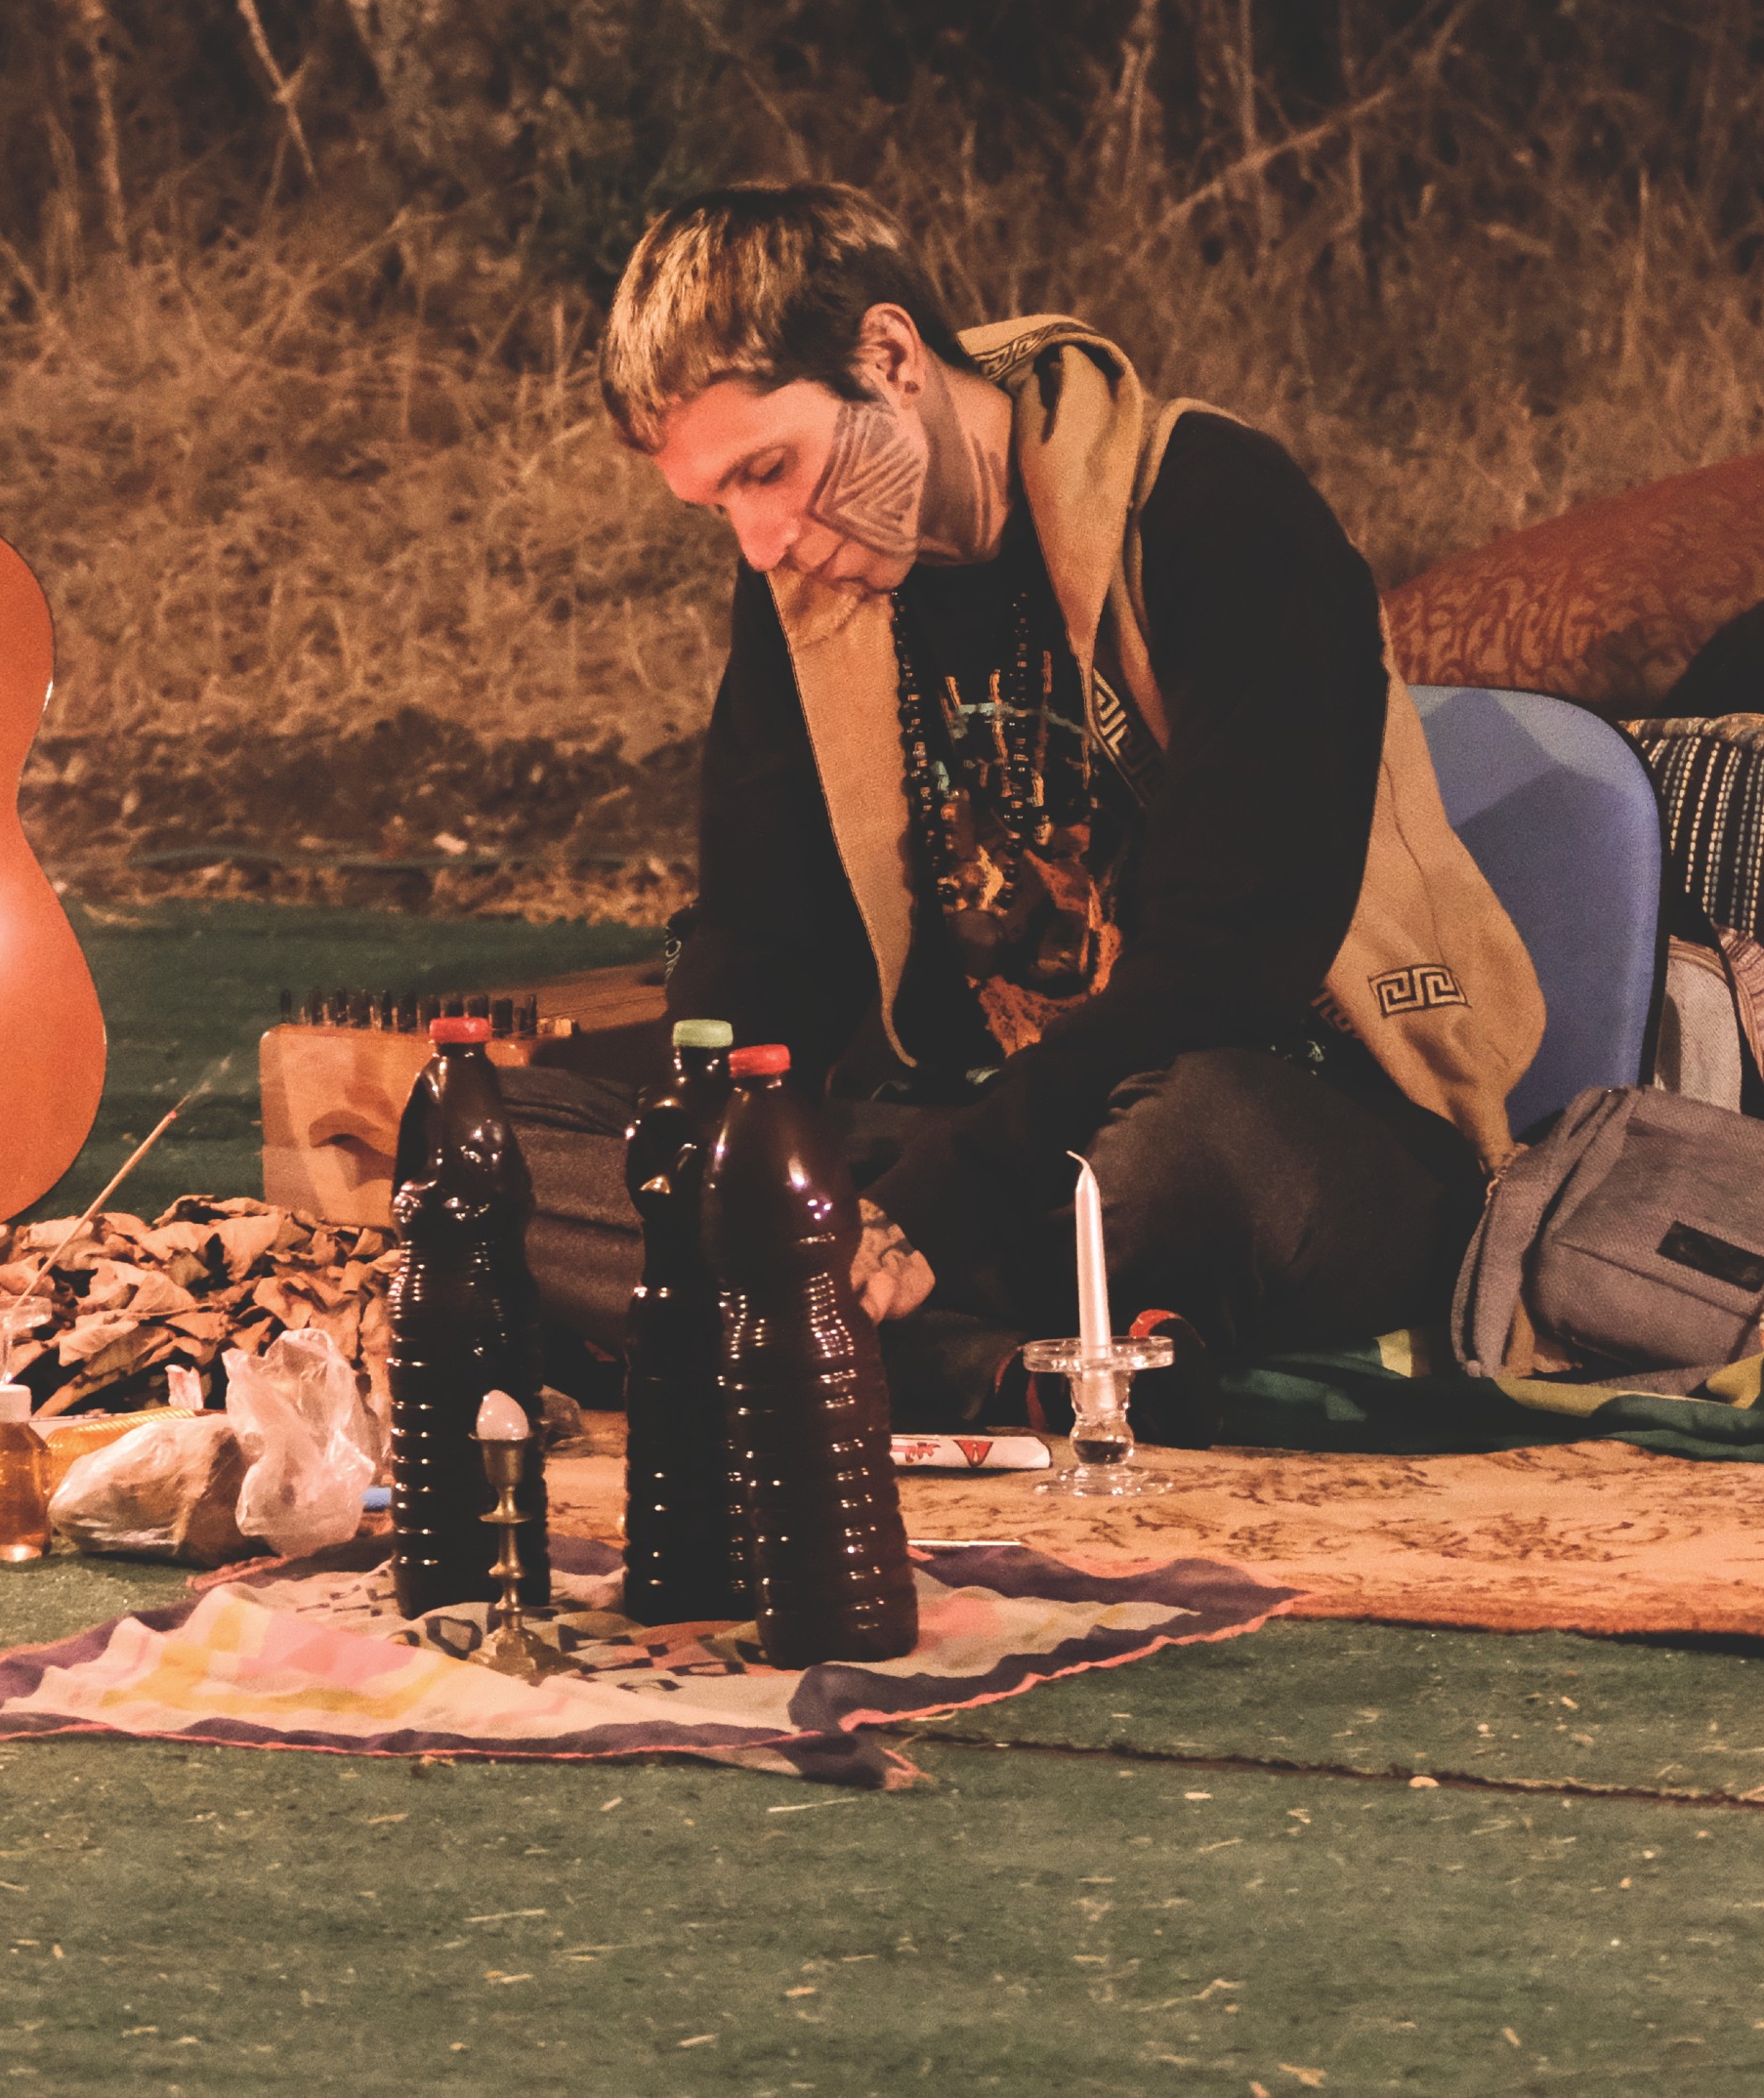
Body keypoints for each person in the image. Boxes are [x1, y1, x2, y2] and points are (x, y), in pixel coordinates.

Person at [596, 183, 1545, 1396]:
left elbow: (1228, 963)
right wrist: (726, 1144)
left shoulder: (1214, 509)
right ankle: (988, 1360)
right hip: (969, 1127)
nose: (761, 539)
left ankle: (825, 1330)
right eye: (719, 503)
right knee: (544, 1147)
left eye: (771, 469)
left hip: (1278, 1110)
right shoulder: (800, 586)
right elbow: (761, 937)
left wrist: (935, 1207)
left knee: (1190, 1161)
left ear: (890, 359)